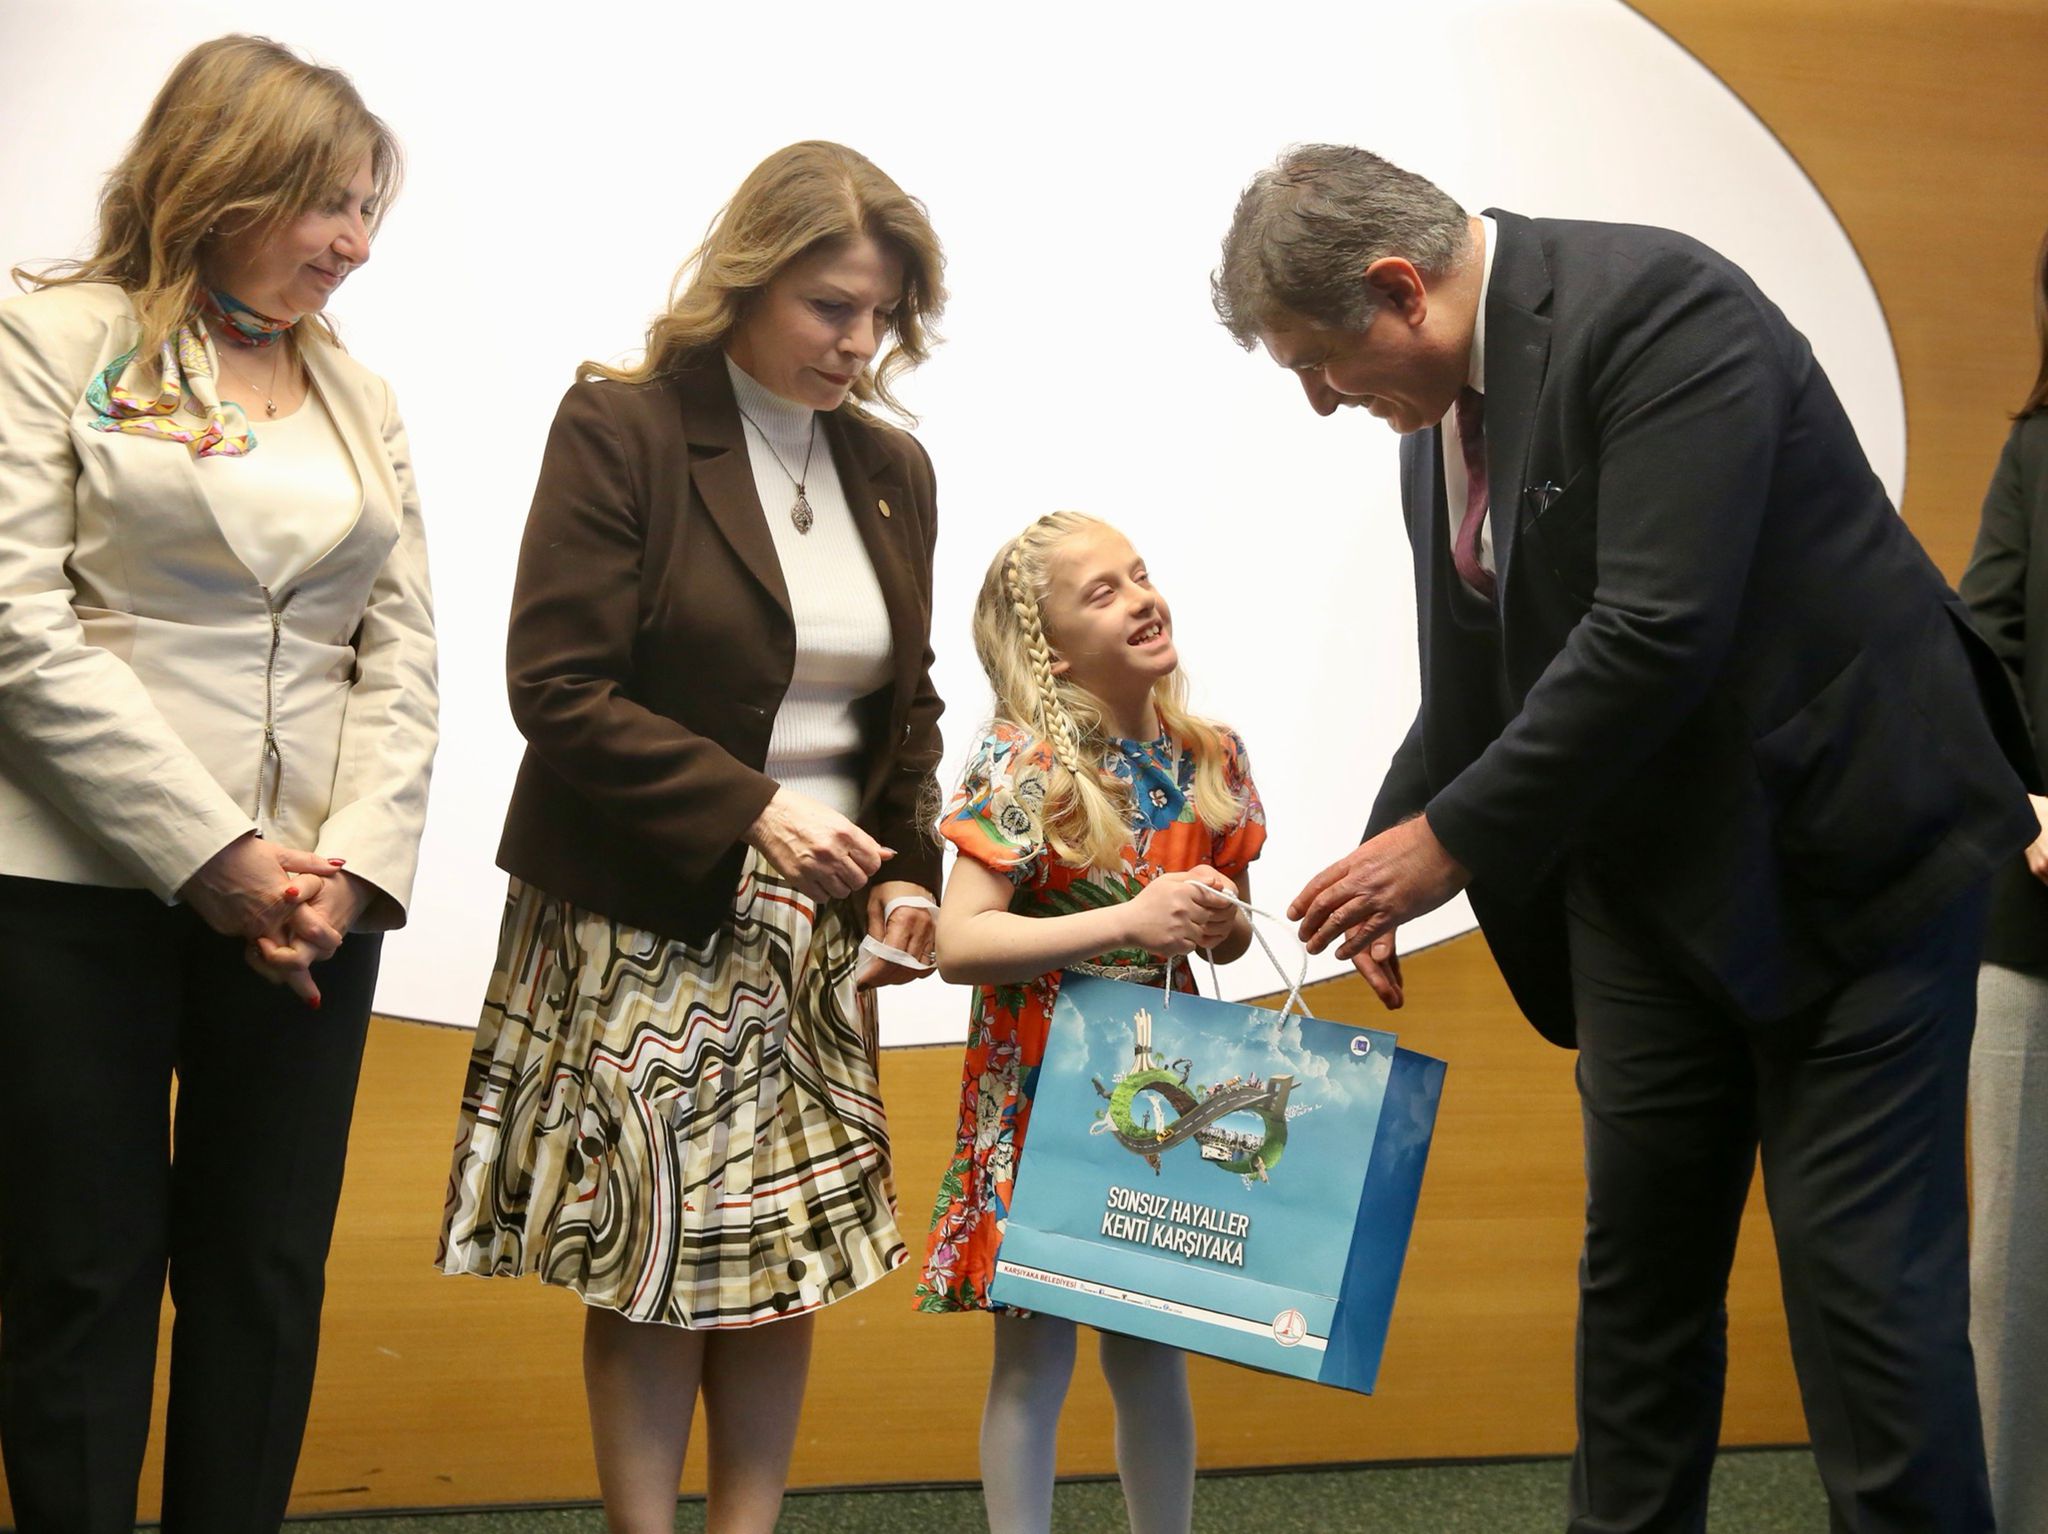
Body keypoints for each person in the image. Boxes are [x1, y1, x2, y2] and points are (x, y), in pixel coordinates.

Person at [1212, 144, 2035, 1534]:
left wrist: (1448, 844)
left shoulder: (1660, 308)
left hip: (1851, 870)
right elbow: (1481, 680)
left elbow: (1653, 631)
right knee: (1637, 1296)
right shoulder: (1437, 419)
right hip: (1647, 893)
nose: (1320, 399)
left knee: (1868, 1318)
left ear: (1399, 288)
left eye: (1319, 362)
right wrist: (1386, 856)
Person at [436, 141, 946, 1534]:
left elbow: (907, 708)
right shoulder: (626, 427)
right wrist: (752, 806)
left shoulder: (892, 466)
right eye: (830, 306)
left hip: (815, 932)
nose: (858, 342)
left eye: (882, 314)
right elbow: (558, 688)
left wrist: (906, 880)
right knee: (656, 1257)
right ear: (749, 277)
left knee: (786, 1260)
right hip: (649, 913)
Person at [0, 35, 437, 1534]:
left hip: (310, 908)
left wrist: (344, 870)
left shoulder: (361, 395)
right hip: (73, 885)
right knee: (81, 1271)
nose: (354, 242)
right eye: (327, 202)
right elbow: (17, 623)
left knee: (264, 1274)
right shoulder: (53, 338)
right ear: (220, 178)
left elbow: (403, 655)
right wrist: (211, 850)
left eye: (368, 208)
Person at [916, 511, 1265, 1534]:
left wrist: (1223, 921)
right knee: (1033, 1357)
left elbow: (1231, 942)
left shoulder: (1210, 755)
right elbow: (958, 942)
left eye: (1140, 574)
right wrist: (1125, 919)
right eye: (1102, 592)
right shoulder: (1026, 764)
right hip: (1043, 1090)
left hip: (1161, 1094)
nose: (1141, 598)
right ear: (1052, 650)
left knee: (1151, 1348)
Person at [1957, 222, 2048, 1534]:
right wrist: (2023, 799)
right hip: (2033, 923)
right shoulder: (2035, 451)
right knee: (2012, 1274)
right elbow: (1979, 654)